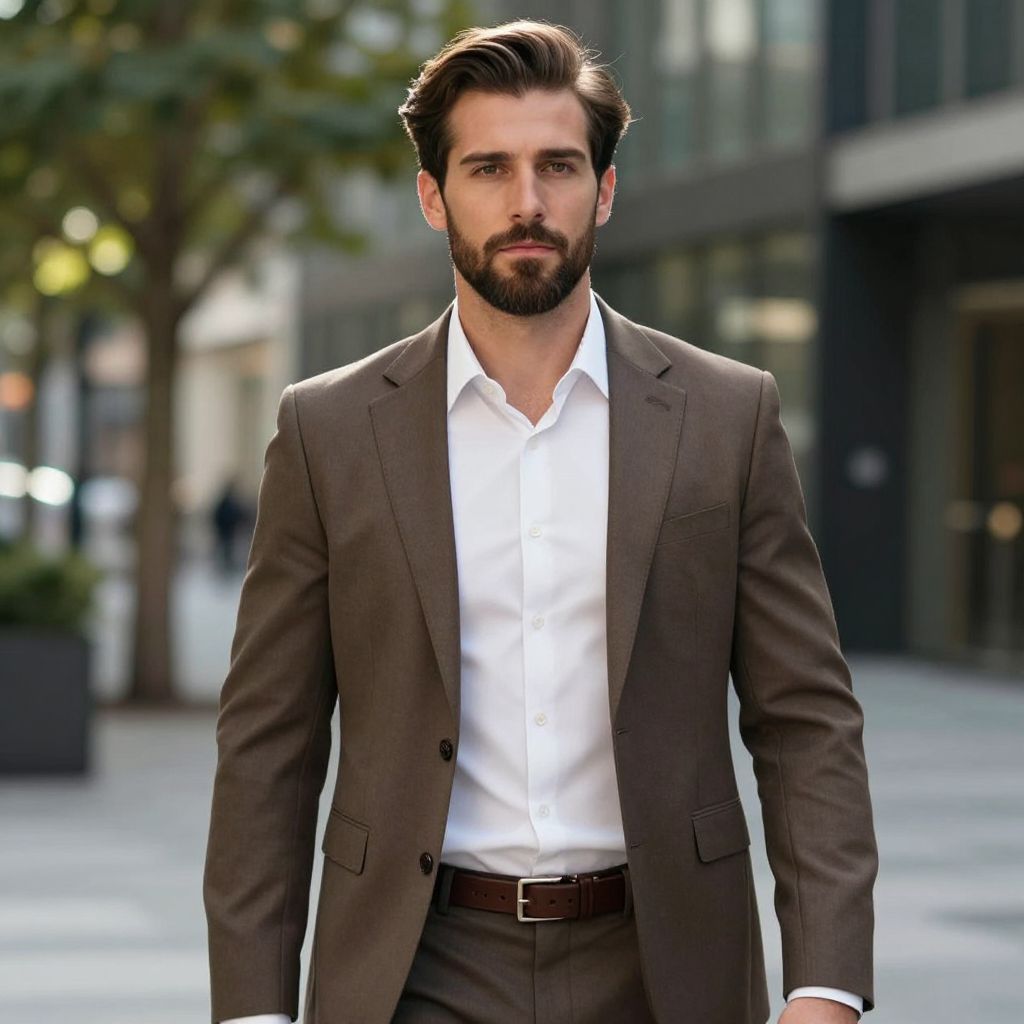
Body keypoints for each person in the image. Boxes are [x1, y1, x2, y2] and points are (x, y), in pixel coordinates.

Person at [203, 20, 877, 1024]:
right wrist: (254, 1010)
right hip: (412, 963)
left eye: (558, 166)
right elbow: (270, 741)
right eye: (488, 168)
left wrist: (824, 985)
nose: (527, 203)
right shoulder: (329, 429)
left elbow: (804, 719)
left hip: (663, 962)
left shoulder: (727, 415)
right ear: (434, 196)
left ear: (603, 188)